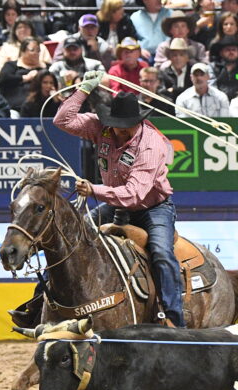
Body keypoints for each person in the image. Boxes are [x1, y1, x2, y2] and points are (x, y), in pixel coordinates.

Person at [52, 70, 183, 327]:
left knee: (161, 253)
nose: (120, 132)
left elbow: (134, 193)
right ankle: (45, 305)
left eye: (126, 127)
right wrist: (84, 88)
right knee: (70, 240)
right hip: (114, 206)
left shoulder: (150, 144)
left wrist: (94, 190)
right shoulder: (103, 127)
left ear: (138, 122)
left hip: (152, 209)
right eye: (117, 126)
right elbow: (62, 120)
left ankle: (174, 318)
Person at [0, 37, 45, 108]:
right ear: (23, 51)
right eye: (32, 50)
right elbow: (3, 79)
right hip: (14, 107)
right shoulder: (11, 65)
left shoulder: (45, 68)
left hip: (40, 108)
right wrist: (26, 78)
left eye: (38, 50)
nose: (36, 53)